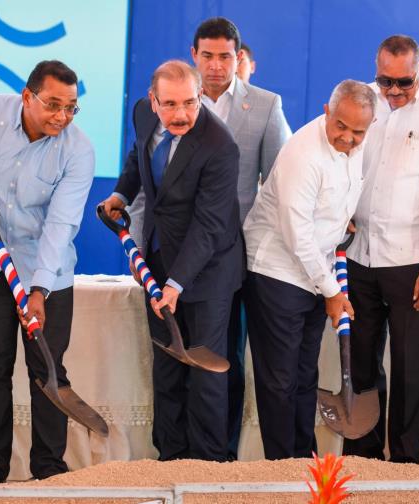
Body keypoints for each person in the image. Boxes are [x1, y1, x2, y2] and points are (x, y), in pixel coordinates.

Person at [0, 60, 94, 483]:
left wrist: (39, 290)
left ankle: (49, 472)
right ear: (27, 97)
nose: (62, 117)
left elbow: (60, 227)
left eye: (71, 107)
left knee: (48, 371)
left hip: (48, 273)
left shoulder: (78, 150)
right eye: (53, 105)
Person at [101, 59, 243, 462]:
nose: (180, 114)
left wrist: (176, 285)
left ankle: (207, 465)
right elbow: (139, 156)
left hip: (208, 271)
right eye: (170, 104)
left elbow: (210, 226)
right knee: (166, 366)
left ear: (200, 96)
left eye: (190, 103)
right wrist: (121, 195)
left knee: (205, 373)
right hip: (161, 258)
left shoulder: (220, 145)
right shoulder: (145, 114)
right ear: (153, 100)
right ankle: (170, 459)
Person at [342, 34, 419, 463]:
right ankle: (361, 458)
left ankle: (406, 463)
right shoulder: (365, 100)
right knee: (360, 364)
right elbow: (346, 163)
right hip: (359, 256)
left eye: (403, 83)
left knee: (410, 369)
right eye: (385, 81)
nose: (392, 92)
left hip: (412, 262)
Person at [243, 80, 376, 459]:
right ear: (326, 111)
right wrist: (333, 292)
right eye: (341, 127)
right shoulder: (304, 153)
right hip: (276, 273)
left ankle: (305, 465)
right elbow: (297, 235)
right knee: (280, 381)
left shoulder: (356, 147)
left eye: (358, 132)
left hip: (313, 275)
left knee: (304, 376)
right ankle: (282, 472)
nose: (349, 138)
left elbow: (333, 205)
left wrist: (341, 224)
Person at [190, 17, 290, 458]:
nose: (216, 65)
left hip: (241, 255)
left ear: (239, 58)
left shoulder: (265, 105)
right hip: (180, 255)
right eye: (207, 56)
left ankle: (223, 456)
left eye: (225, 56)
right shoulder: (175, 99)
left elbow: (282, 181)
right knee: (185, 361)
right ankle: (184, 453)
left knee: (229, 358)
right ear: (194, 55)